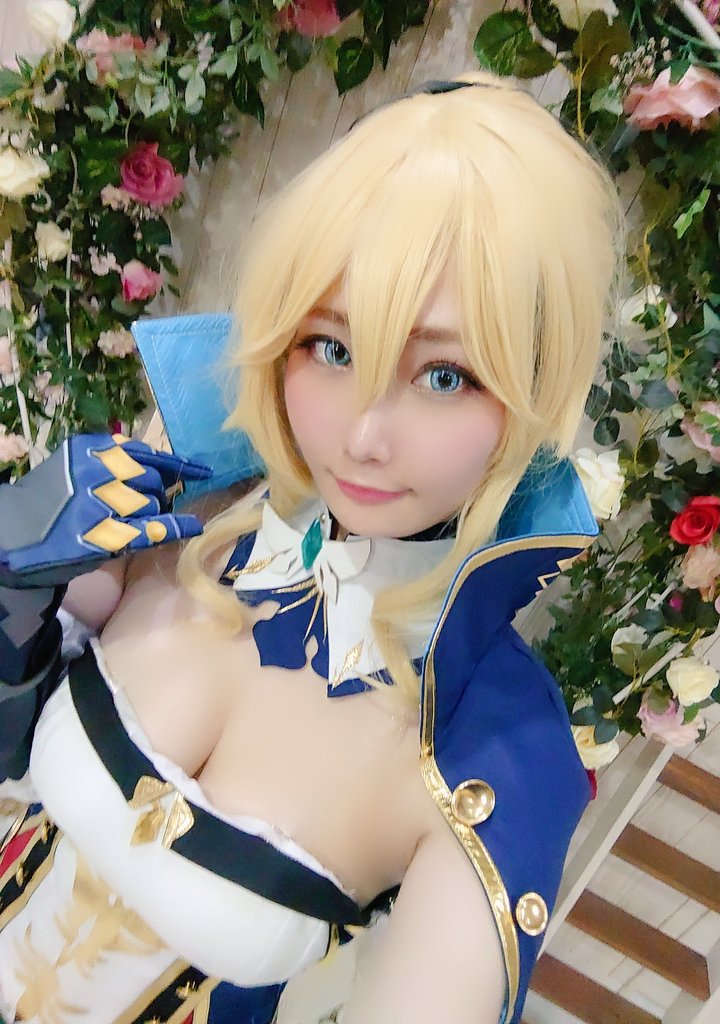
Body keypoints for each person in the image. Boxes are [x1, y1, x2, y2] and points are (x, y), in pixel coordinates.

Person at [0, 71, 624, 1024]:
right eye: (333, 348)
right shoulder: (186, 506)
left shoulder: (496, 746)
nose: (363, 436)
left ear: (534, 395)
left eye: (445, 375)